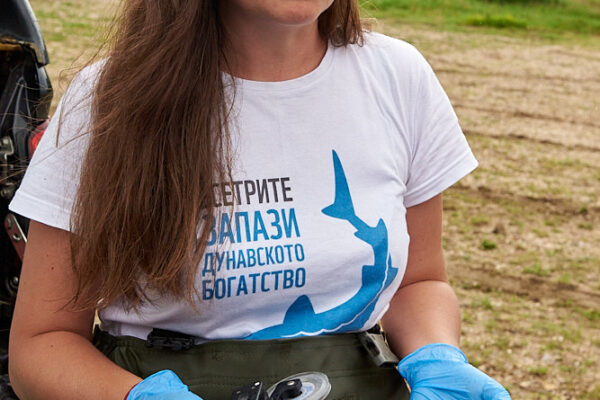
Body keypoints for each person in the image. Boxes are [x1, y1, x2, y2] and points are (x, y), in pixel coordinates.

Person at [7, 1, 511, 399]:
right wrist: (140, 396)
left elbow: (417, 280)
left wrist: (437, 357)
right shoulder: (108, 101)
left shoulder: (399, 77)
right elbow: (41, 346)